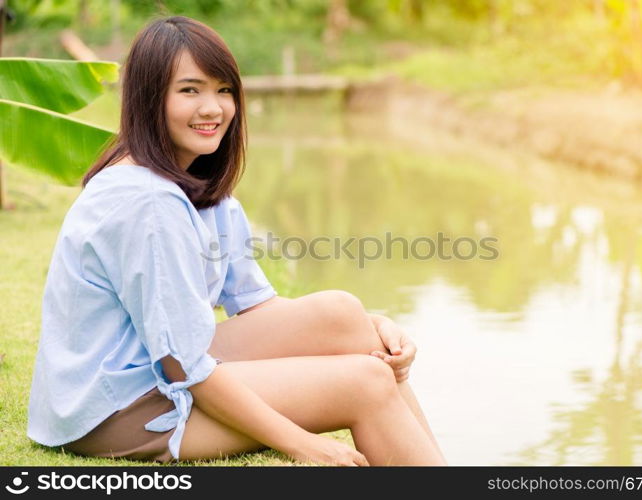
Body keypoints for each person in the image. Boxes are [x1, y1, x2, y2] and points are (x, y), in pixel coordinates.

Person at [26, 16, 446, 466]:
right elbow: (181, 365)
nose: (213, 108)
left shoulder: (199, 188)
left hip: (152, 368)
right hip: (113, 409)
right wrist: (303, 443)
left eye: (224, 90)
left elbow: (253, 304)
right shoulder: (148, 204)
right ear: (149, 99)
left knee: (343, 314)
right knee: (366, 382)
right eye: (190, 90)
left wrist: (371, 327)